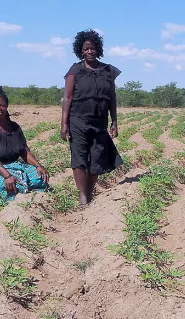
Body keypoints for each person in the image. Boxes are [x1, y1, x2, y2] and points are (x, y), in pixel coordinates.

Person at [61, 29, 123, 207]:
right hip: (78, 120)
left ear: (98, 49)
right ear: (80, 50)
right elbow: (68, 97)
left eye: (92, 48)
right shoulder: (75, 70)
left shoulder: (108, 71)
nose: (89, 51)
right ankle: (82, 196)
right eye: (85, 49)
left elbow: (112, 98)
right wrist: (64, 124)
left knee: (96, 159)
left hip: (100, 121)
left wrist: (114, 121)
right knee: (79, 157)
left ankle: (89, 193)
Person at [0, 87, 49, 201]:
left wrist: (38, 166)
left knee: (40, 178)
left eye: (2, 105)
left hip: (13, 164)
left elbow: (24, 151)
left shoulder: (14, 127)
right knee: (10, 187)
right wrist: (7, 176)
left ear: (6, 107)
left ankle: (31, 196)